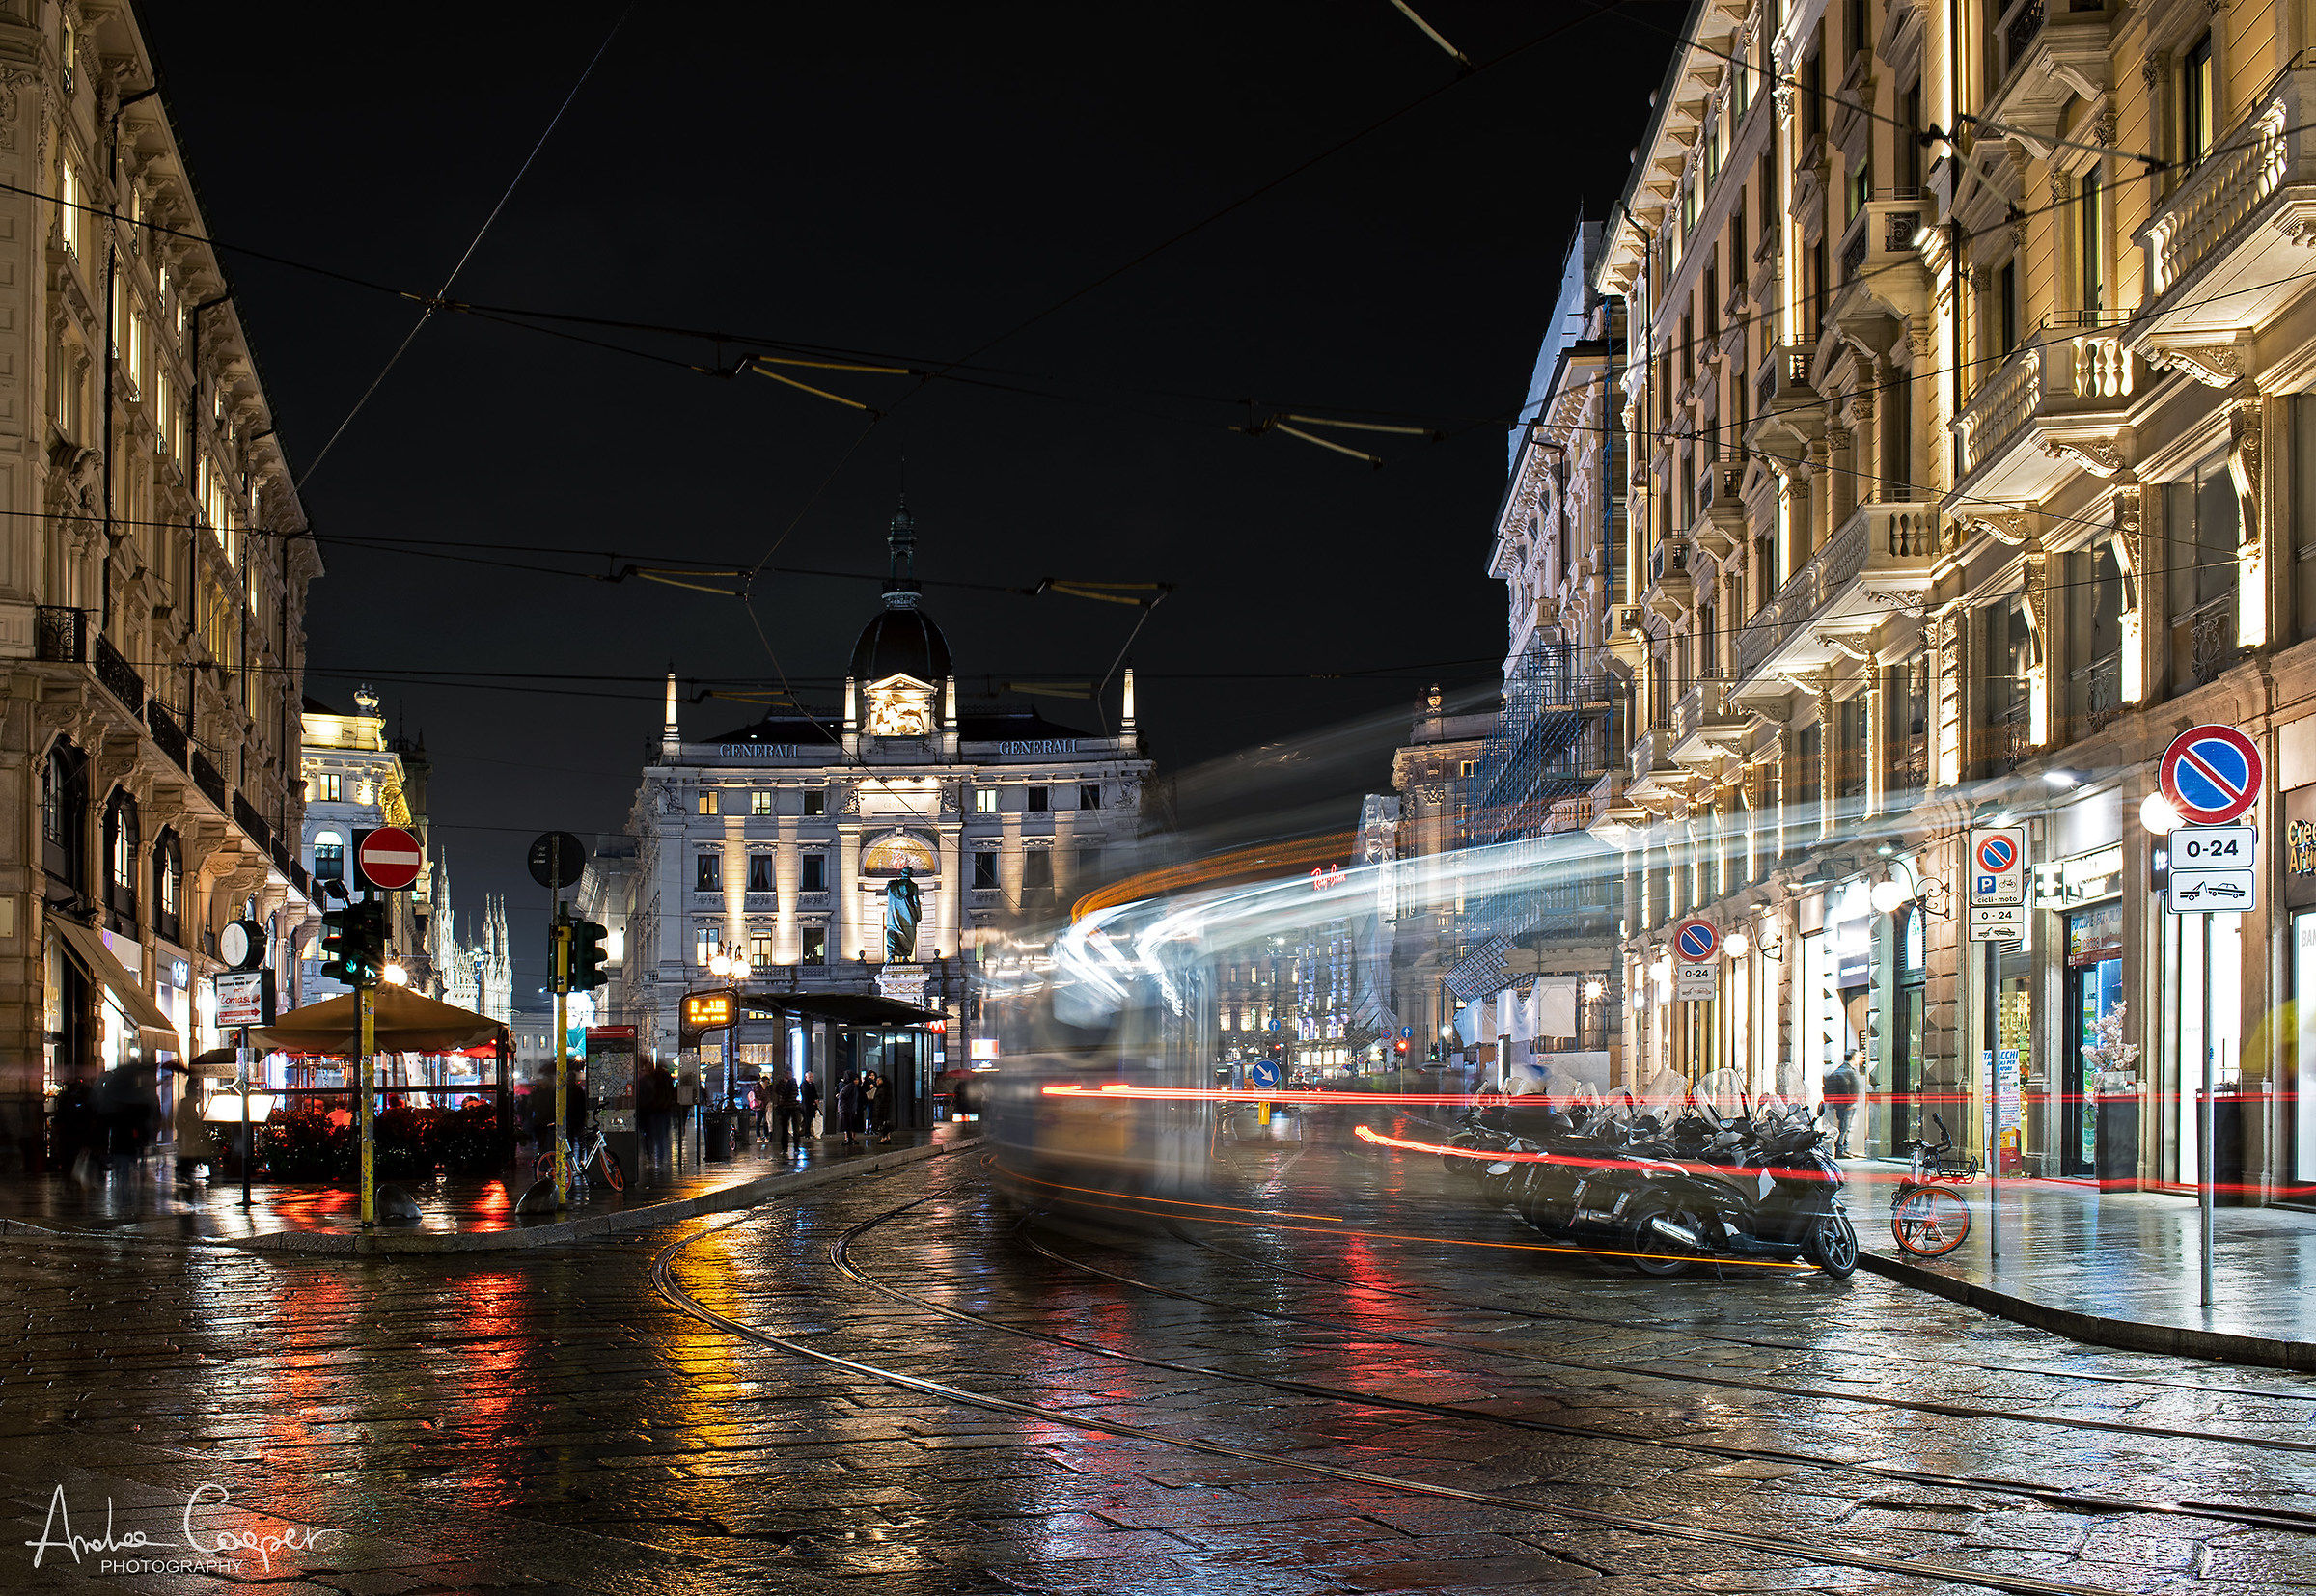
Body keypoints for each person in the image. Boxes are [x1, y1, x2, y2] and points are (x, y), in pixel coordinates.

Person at [173, 1085, 217, 1185]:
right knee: (187, 1148)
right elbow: (180, 1120)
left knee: (188, 1148)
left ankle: (187, 1166)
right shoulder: (186, 1105)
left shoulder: (187, 1105)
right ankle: (185, 1167)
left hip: (190, 1132)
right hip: (187, 1132)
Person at [1821, 1056, 1863, 1159]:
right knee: (1844, 1128)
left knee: (1845, 1127)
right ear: (1853, 1058)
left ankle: (1844, 1149)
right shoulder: (1845, 1071)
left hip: (1844, 1104)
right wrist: (1848, 1103)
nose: (1861, 1059)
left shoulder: (1843, 1069)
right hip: (1846, 1105)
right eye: (1859, 1057)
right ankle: (1841, 1150)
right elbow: (1846, 1088)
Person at [835, 1071, 863, 1151]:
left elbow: (842, 1096)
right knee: (849, 1124)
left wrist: (839, 1095)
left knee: (847, 1124)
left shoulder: (849, 1086)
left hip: (846, 1108)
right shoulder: (853, 1086)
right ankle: (850, 1139)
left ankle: (849, 1139)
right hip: (850, 1108)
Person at [773, 1069, 799, 1155]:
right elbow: (779, 1092)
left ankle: (796, 1147)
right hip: (786, 1108)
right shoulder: (782, 1082)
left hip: (792, 1107)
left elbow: (794, 1093)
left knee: (795, 1127)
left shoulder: (793, 1082)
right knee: (784, 1128)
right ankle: (784, 1147)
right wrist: (784, 1083)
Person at [800, 1071, 820, 1140]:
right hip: (806, 1105)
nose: (811, 1078)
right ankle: (806, 1133)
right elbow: (806, 1094)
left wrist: (817, 1099)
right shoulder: (804, 1084)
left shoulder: (812, 1084)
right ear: (806, 1077)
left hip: (812, 1105)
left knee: (810, 1119)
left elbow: (815, 1093)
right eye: (810, 1077)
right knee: (807, 1119)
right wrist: (813, 1100)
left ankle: (809, 1132)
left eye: (812, 1077)